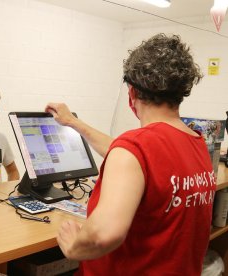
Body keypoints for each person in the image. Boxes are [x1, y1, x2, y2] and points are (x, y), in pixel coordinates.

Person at [46, 34, 215, 275]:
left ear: (132, 93)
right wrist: (74, 122)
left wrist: (74, 247)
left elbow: (105, 234)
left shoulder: (135, 147)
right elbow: (131, 157)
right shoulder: (195, 141)